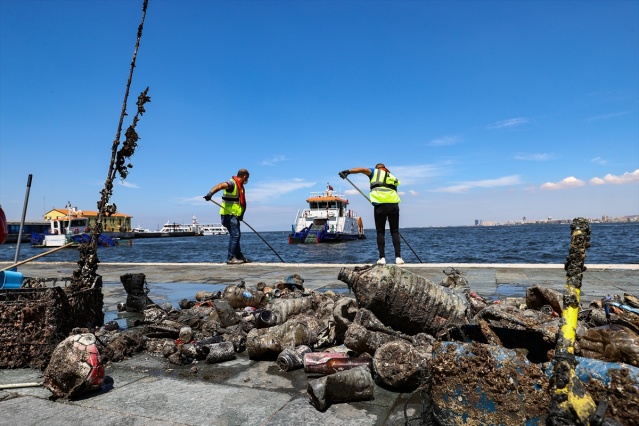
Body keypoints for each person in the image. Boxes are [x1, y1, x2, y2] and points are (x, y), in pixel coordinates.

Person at [339, 163, 403, 265]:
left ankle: (382, 258)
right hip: (394, 205)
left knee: (380, 232)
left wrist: (348, 171)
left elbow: (361, 169)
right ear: (385, 168)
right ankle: (398, 258)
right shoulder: (392, 177)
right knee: (395, 231)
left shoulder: (374, 172)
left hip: (380, 205)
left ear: (377, 168)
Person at [203, 169, 251, 265]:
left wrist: (241, 215)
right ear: (244, 176)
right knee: (235, 235)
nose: (247, 180)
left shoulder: (241, 187)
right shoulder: (232, 184)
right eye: (247, 178)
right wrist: (210, 194)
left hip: (236, 215)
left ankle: (239, 256)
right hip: (228, 215)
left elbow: (242, 202)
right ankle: (231, 257)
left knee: (237, 235)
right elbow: (220, 185)